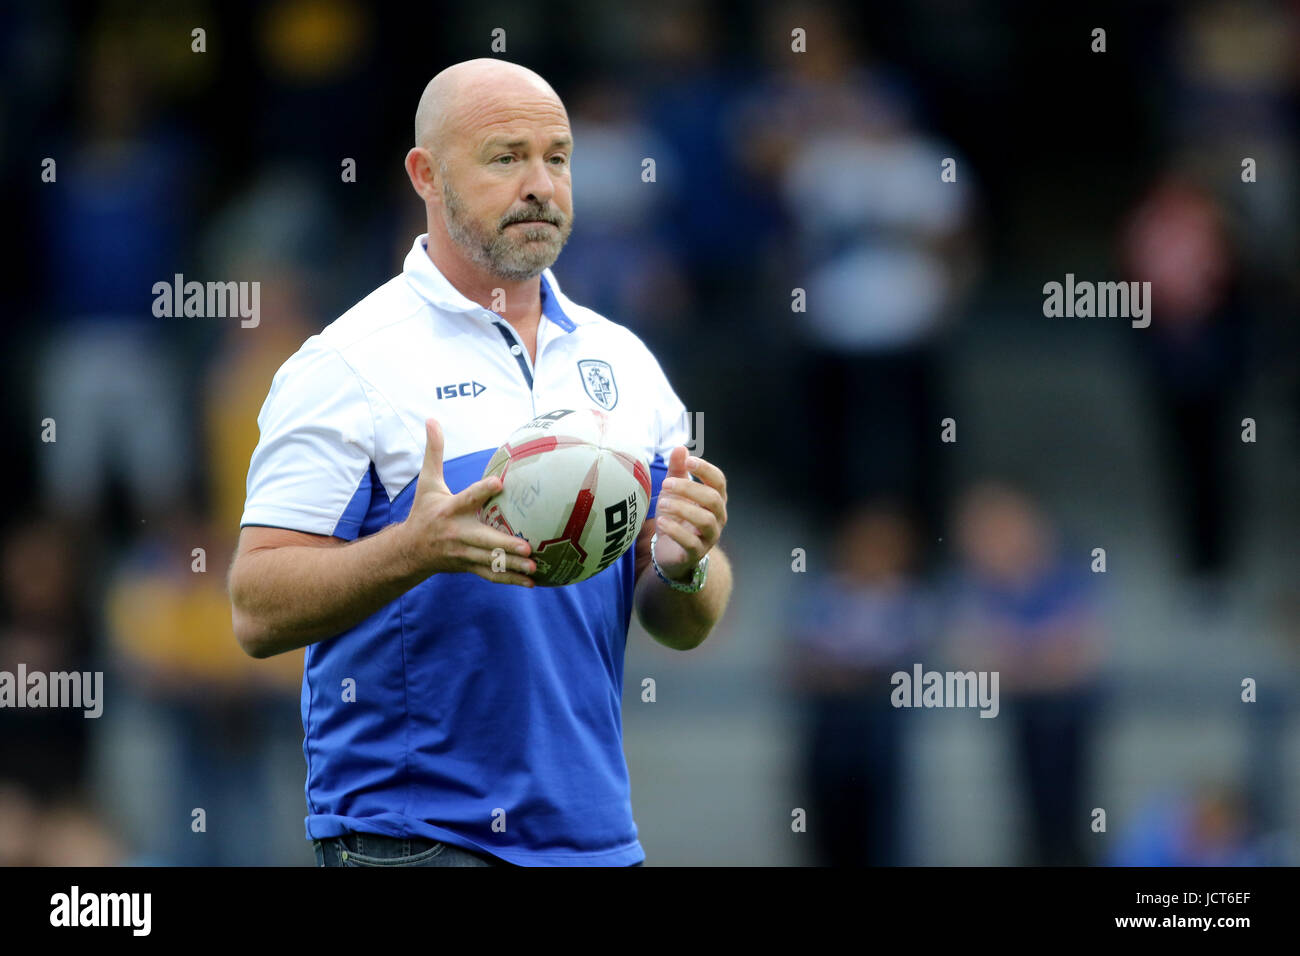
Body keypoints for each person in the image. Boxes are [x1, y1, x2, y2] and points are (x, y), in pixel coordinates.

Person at [227, 59, 733, 867]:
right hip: (419, 841)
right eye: (506, 158)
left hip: (596, 839)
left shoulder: (626, 360)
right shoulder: (347, 364)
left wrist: (686, 567)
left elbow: (682, 623)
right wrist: (413, 551)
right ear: (426, 175)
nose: (540, 184)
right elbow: (255, 611)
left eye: (558, 157)